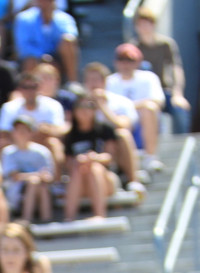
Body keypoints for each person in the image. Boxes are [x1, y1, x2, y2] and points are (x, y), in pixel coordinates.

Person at [82, 61, 145, 197]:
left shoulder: (122, 102)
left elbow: (124, 125)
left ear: (105, 81)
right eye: (89, 79)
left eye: (96, 79)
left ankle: (133, 180)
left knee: (122, 134)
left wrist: (102, 107)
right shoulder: (80, 104)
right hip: (92, 149)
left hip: (117, 150)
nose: (93, 83)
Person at [106, 43, 165, 175]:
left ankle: (150, 157)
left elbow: (158, 101)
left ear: (138, 62)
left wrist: (128, 107)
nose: (126, 64)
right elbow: (106, 107)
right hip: (119, 121)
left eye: (130, 60)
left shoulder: (149, 78)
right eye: (122, 60)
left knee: (149, 109)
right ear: (115, 62)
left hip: (142, 119)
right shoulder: (109, 81)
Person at [132, 5, 191, 136]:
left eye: (147, 24)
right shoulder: (133, 48)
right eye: (141, 24)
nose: (144, 28)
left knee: (180, 110)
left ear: (153, 25)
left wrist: (178, 93)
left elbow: (176, 68)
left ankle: (182, 144)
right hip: (145, 95)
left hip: (165, 91)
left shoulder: (166, 44)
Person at [61, 91, 120, 222]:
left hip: (106, 180)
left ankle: (99, 214)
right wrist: (79, 161)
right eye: (81, 107)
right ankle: (69, 216)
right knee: (78, 168)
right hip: (80, 181)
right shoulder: (70, 136)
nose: (85, 111)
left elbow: (110, 158)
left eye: (89, 107)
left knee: (94, 167)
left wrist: (94, 158)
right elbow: (67, 164)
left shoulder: (105, 129)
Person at [0, 115, 54, 224]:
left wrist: (37, 177)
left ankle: (45, 220)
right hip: (16, 195)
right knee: (34, 182)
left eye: (24, 130)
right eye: (17, 130)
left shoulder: (42, 152)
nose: (20, 133)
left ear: (31, 132)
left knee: (38, 184)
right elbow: (14, 176)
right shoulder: (8, 152)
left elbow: (49, 176)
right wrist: (36, 176)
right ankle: (28, 220)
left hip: (41, 191)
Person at [13, 0, 79, 84]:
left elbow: (72, 36)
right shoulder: (23, 18)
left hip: (57, 57)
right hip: (35, 57)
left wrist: (51, 58)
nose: (45, 3)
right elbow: (23, 46)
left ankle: (73, 83)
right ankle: (29, 87)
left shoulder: (64, 18)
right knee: (30, 61)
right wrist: (42, 56)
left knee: (68, 42)